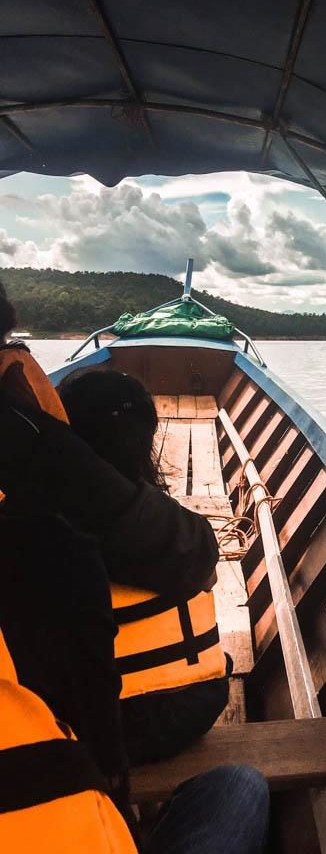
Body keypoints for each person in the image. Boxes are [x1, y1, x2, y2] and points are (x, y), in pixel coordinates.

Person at [0, 283, 270, 852]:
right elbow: (183, 547)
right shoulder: (45, 470)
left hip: (81, 731)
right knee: (242, 787)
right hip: (177, 713)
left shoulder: (44, 499)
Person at [58, 370, 231, 766]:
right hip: (191, 706)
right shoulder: (185, 531)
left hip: (82, 729)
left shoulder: (31, 516)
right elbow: (207, 576)